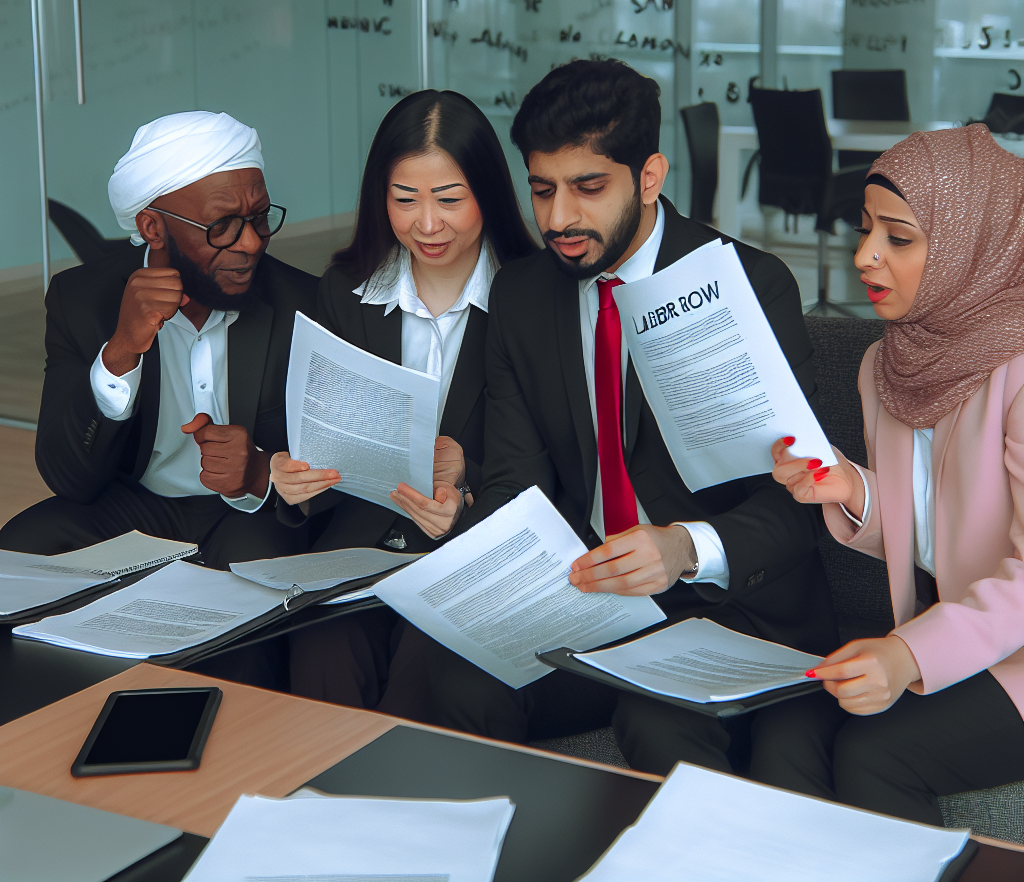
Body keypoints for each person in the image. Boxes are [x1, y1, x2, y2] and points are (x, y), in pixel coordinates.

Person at [389, 59, 838, 770]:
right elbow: (517, 482)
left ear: (650, 176)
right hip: (591, 598)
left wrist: (685, 547)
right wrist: (467, 515)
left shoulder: (748, 285)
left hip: (724, 602)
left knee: (658, 722)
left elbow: (804, 500)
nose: (559, 218)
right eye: (542, 190)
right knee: (457, 682)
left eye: (588, 188)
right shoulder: (524, 295)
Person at [767, 124, 1024, 825]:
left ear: (975, 244)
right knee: (787, 727)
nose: (865, 257)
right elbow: (937, 523)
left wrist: (907, 656)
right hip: (960, 638)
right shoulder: (888, 362)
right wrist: (851, 489)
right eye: (865, 230)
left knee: (876, 752)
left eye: (899, 238)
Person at [269, 89, 537, 709]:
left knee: (431, 665)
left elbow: (554, 456)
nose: (426, 223)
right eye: (404, 199)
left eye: (449, 199)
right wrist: (293, 477)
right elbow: (322, 429)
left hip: (469, 550)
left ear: (489, 196)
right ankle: (326, 804)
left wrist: (465, 488)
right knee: (322, 650)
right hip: (359, 547)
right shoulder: (344, 292)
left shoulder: (531, 298)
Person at [0, 111, 318, 570]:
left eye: (260, 217)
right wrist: (121, 352)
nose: (250, 242)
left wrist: (261, 471)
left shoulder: (305, 303)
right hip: (132, 506)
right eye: (223, 226)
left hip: (249, 514)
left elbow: (342, 465)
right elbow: (70, 479)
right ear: (153, 227)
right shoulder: (83, 300)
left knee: (257, 589)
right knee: (15, 561)